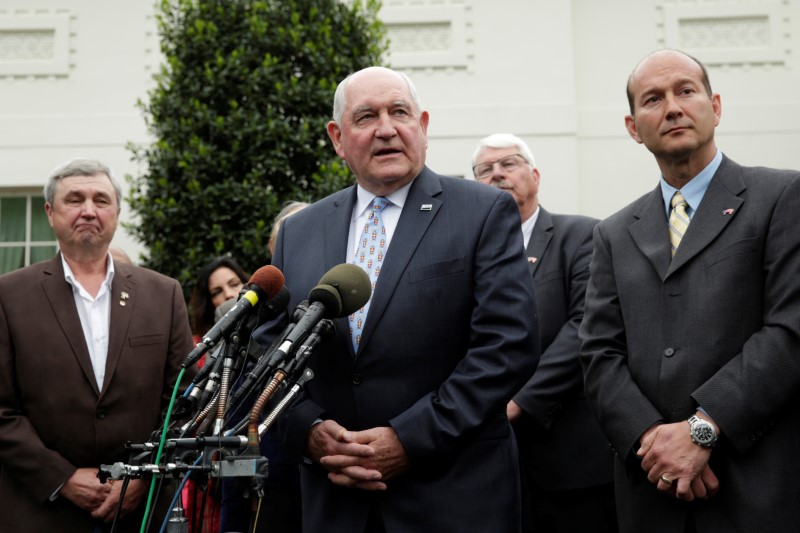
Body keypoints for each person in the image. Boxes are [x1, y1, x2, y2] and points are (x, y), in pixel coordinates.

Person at [254, 66, 539, 533]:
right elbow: (267, 351)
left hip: (454, 496)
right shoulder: (300, 231)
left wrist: (408, 439)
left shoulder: (482, 211)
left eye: (399, 112)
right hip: (336, 499)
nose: (386, 129)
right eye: (366, 117)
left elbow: (508, 346)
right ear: (338, 137)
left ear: (422, 127)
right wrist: (309, 431)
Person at [579, 49, 800, 532]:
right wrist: (655, 441)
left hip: (754, 486)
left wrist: (703, 429)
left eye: (686, 91)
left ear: (715, 106)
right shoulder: (614, 233)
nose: (673, 107)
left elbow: (790, 331)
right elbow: (598, 354)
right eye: (653, 99)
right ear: (633, 127)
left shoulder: (781, 197)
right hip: (651, 490)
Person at [0, 158, 194, 532]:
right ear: (50, 212)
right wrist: (63, 478)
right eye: (74, 199)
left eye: (101, 200)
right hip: (40, 511)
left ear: (117, 213)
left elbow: (184, 402)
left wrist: (143, 476)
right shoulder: (9, 296)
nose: (89, 210)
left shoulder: (163, 294)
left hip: (139, 512)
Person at [472, 133, 616, 533]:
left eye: (509, 163)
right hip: (485, 462)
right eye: (485, 170)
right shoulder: (466, 251)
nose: (497, 174)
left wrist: (518, 403)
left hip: (569, 461)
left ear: (534, 175)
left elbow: (585, 325)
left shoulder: (583, 235)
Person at [190, 255, 249, 340]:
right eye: (217, 292)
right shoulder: (199, 347)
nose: (228, 295)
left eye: (234, 284)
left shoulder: (270, 326)